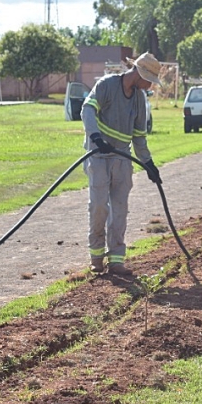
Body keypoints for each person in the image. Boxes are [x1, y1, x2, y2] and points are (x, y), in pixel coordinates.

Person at [81, 52, 162, 276]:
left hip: (122, 158)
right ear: (139, 74)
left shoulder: (139, 100)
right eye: (149, 81)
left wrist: (149, 164)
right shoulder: (107, 86)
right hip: (98, 155)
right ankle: (96, 258)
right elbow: (87, 110)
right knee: (98, 206)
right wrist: (96, 138)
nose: (149, 87)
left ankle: (116, 260)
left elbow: (139, 137)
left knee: (120, 210)